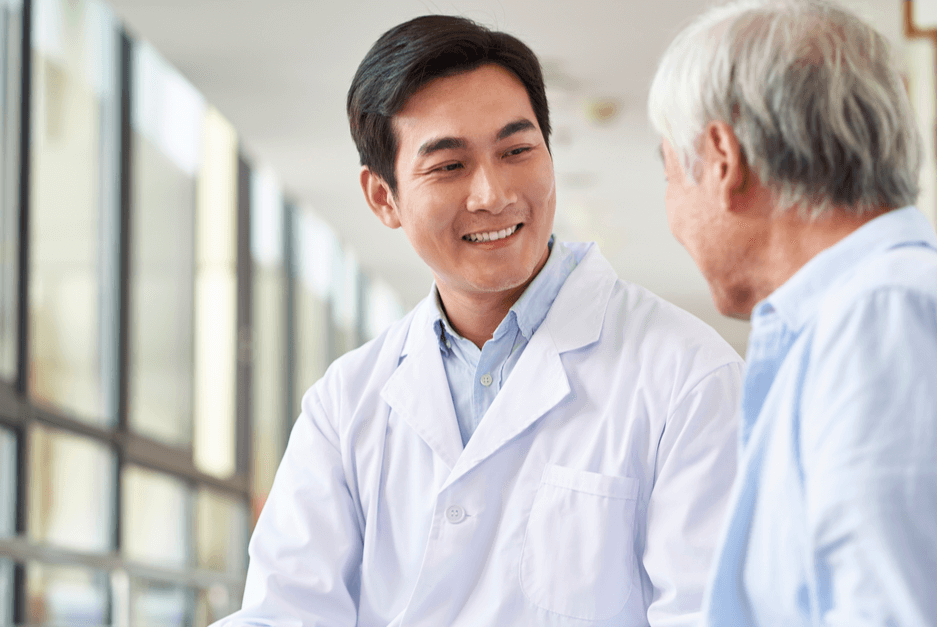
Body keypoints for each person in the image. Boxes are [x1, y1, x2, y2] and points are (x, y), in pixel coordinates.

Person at [215, 15, 744, 627]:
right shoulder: (345, 403)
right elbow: (284, 612)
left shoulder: (689, 376)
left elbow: (711, 613)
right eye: (448, 166)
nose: (492, 194)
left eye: (517, 150)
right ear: (383, 197)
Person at [646, 1, 937, 625]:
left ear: (723, 159)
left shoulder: (885, 323)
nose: (672, 213)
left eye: (671, 174)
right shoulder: (886, 316)